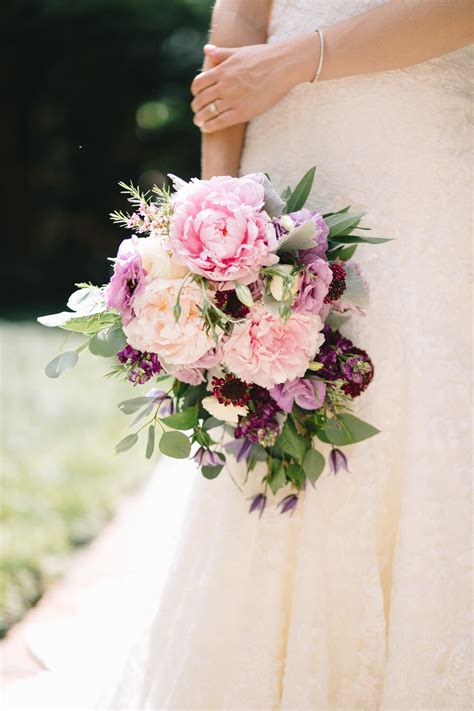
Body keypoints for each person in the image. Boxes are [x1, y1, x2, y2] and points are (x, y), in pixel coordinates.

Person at [102, 1, 473, 708]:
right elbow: (241, 14)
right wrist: (217, 205)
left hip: (419, 159)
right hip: (287, 151)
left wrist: (299, 59)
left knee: (421, 417)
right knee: (282, 439)